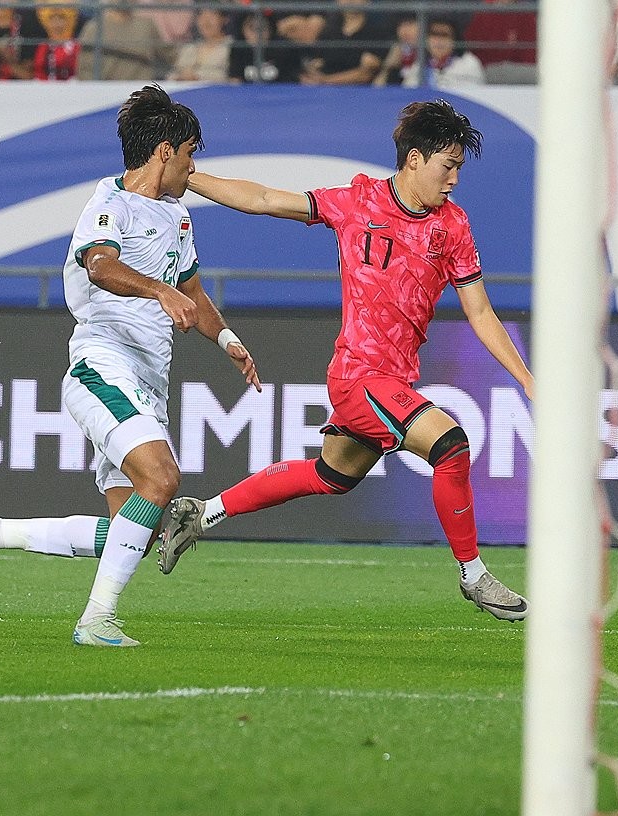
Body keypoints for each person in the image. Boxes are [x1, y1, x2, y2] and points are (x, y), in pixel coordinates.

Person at [158, 100, 534, 622]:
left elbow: (481, 312)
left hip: (393, 380)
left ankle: (202, 514)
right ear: (415, 160)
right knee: (451, 445)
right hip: (359, 377)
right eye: (448, 167)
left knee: (331, 475)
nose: (453, 181)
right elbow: (267, 199)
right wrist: (188, 179)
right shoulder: (357, 203)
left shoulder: (453, 227)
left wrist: (526, 380)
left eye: (459, 170)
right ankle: (473, 575)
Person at [0, 85, 261, 649]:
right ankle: (95, 620)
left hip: (149, 380)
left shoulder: (178, 216)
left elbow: (192, 293)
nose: (192, 168)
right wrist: (160, 291)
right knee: (162, 479)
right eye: (189, 154)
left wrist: (227, 337)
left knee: (130, 527)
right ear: (164, 151)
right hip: (102, 365)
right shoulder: (109, 202)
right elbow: (101, 267)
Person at [401, 17, 484, 89]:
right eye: (434, 34)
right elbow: (408, 95)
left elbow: (473, 97)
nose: (439, 41)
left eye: (444, 35)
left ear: (454, 40)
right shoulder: (419, 64)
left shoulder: (469, 63)